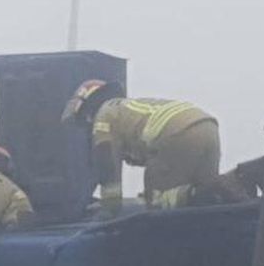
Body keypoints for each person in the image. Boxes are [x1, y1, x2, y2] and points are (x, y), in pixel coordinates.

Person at [61, 81, 229, 210]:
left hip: (174, 133)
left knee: (156, 201)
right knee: (206, 196)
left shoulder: (105, 113)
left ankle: (199, 194)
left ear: (88, 107)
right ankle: (228, 187)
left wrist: (110, 206)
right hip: (208, 128)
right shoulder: (128, 110)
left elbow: (106, 157)